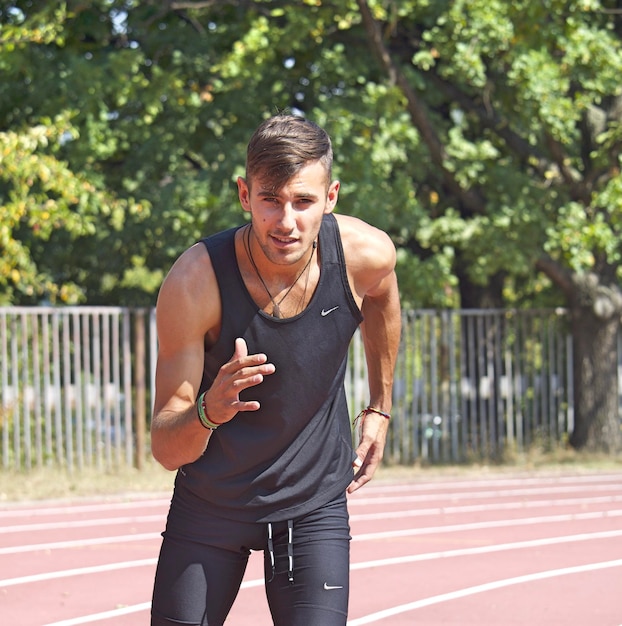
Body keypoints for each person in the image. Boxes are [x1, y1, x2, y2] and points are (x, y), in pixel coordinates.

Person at [150, 113, 401, 626]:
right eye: (270, 199)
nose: (286, 222)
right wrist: (208, 411)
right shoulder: (196, 282)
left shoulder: (365, 255)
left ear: (330, 198)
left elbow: (383, 297)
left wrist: (379, 406)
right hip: (210, 504)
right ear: (245, 195)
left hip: (312, 503)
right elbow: (165, 447)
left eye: (303, 202)